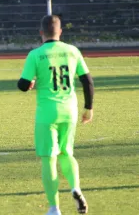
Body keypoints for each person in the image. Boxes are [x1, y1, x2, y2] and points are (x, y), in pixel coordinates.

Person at [17, 15, 94, 215]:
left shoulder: (35, 54)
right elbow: (87, 81)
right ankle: (76, 188)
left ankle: (54, 208)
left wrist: (31, 83)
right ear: (60, 32)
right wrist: (89, 107)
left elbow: (23, 85)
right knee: (67, 153)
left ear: (41, 33)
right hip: (70, 111)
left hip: (47, 113)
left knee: (49, 159)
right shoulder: (72, 51)